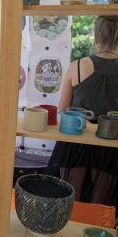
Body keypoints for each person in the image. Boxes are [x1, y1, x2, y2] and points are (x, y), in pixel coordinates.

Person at [48, 15, 118, 210]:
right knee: (101, 211)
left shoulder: (77, 66)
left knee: (68, 206)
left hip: (75, 143)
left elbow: (62, 109)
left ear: (95, 37)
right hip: (111, 147)